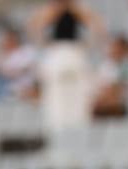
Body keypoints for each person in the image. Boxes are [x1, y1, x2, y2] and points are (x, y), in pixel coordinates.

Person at [27, 0, 105, 131]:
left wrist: (88, 44)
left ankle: (79, 123)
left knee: (80, 91)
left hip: (74, 52)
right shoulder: (51, 11)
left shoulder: (77, 10)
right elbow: (34, 25)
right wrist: (45, 43)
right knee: (55, 93)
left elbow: (97, 24)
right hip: (57, 52)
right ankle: (57, 125)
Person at [93, 34, 128, 118]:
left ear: (123, 49)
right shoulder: (106, 65)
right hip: (107, 103)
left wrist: (108, 96)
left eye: (115, 47)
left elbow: (120, 88)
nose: (112, 50)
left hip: (122, 105)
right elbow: (100, 87)